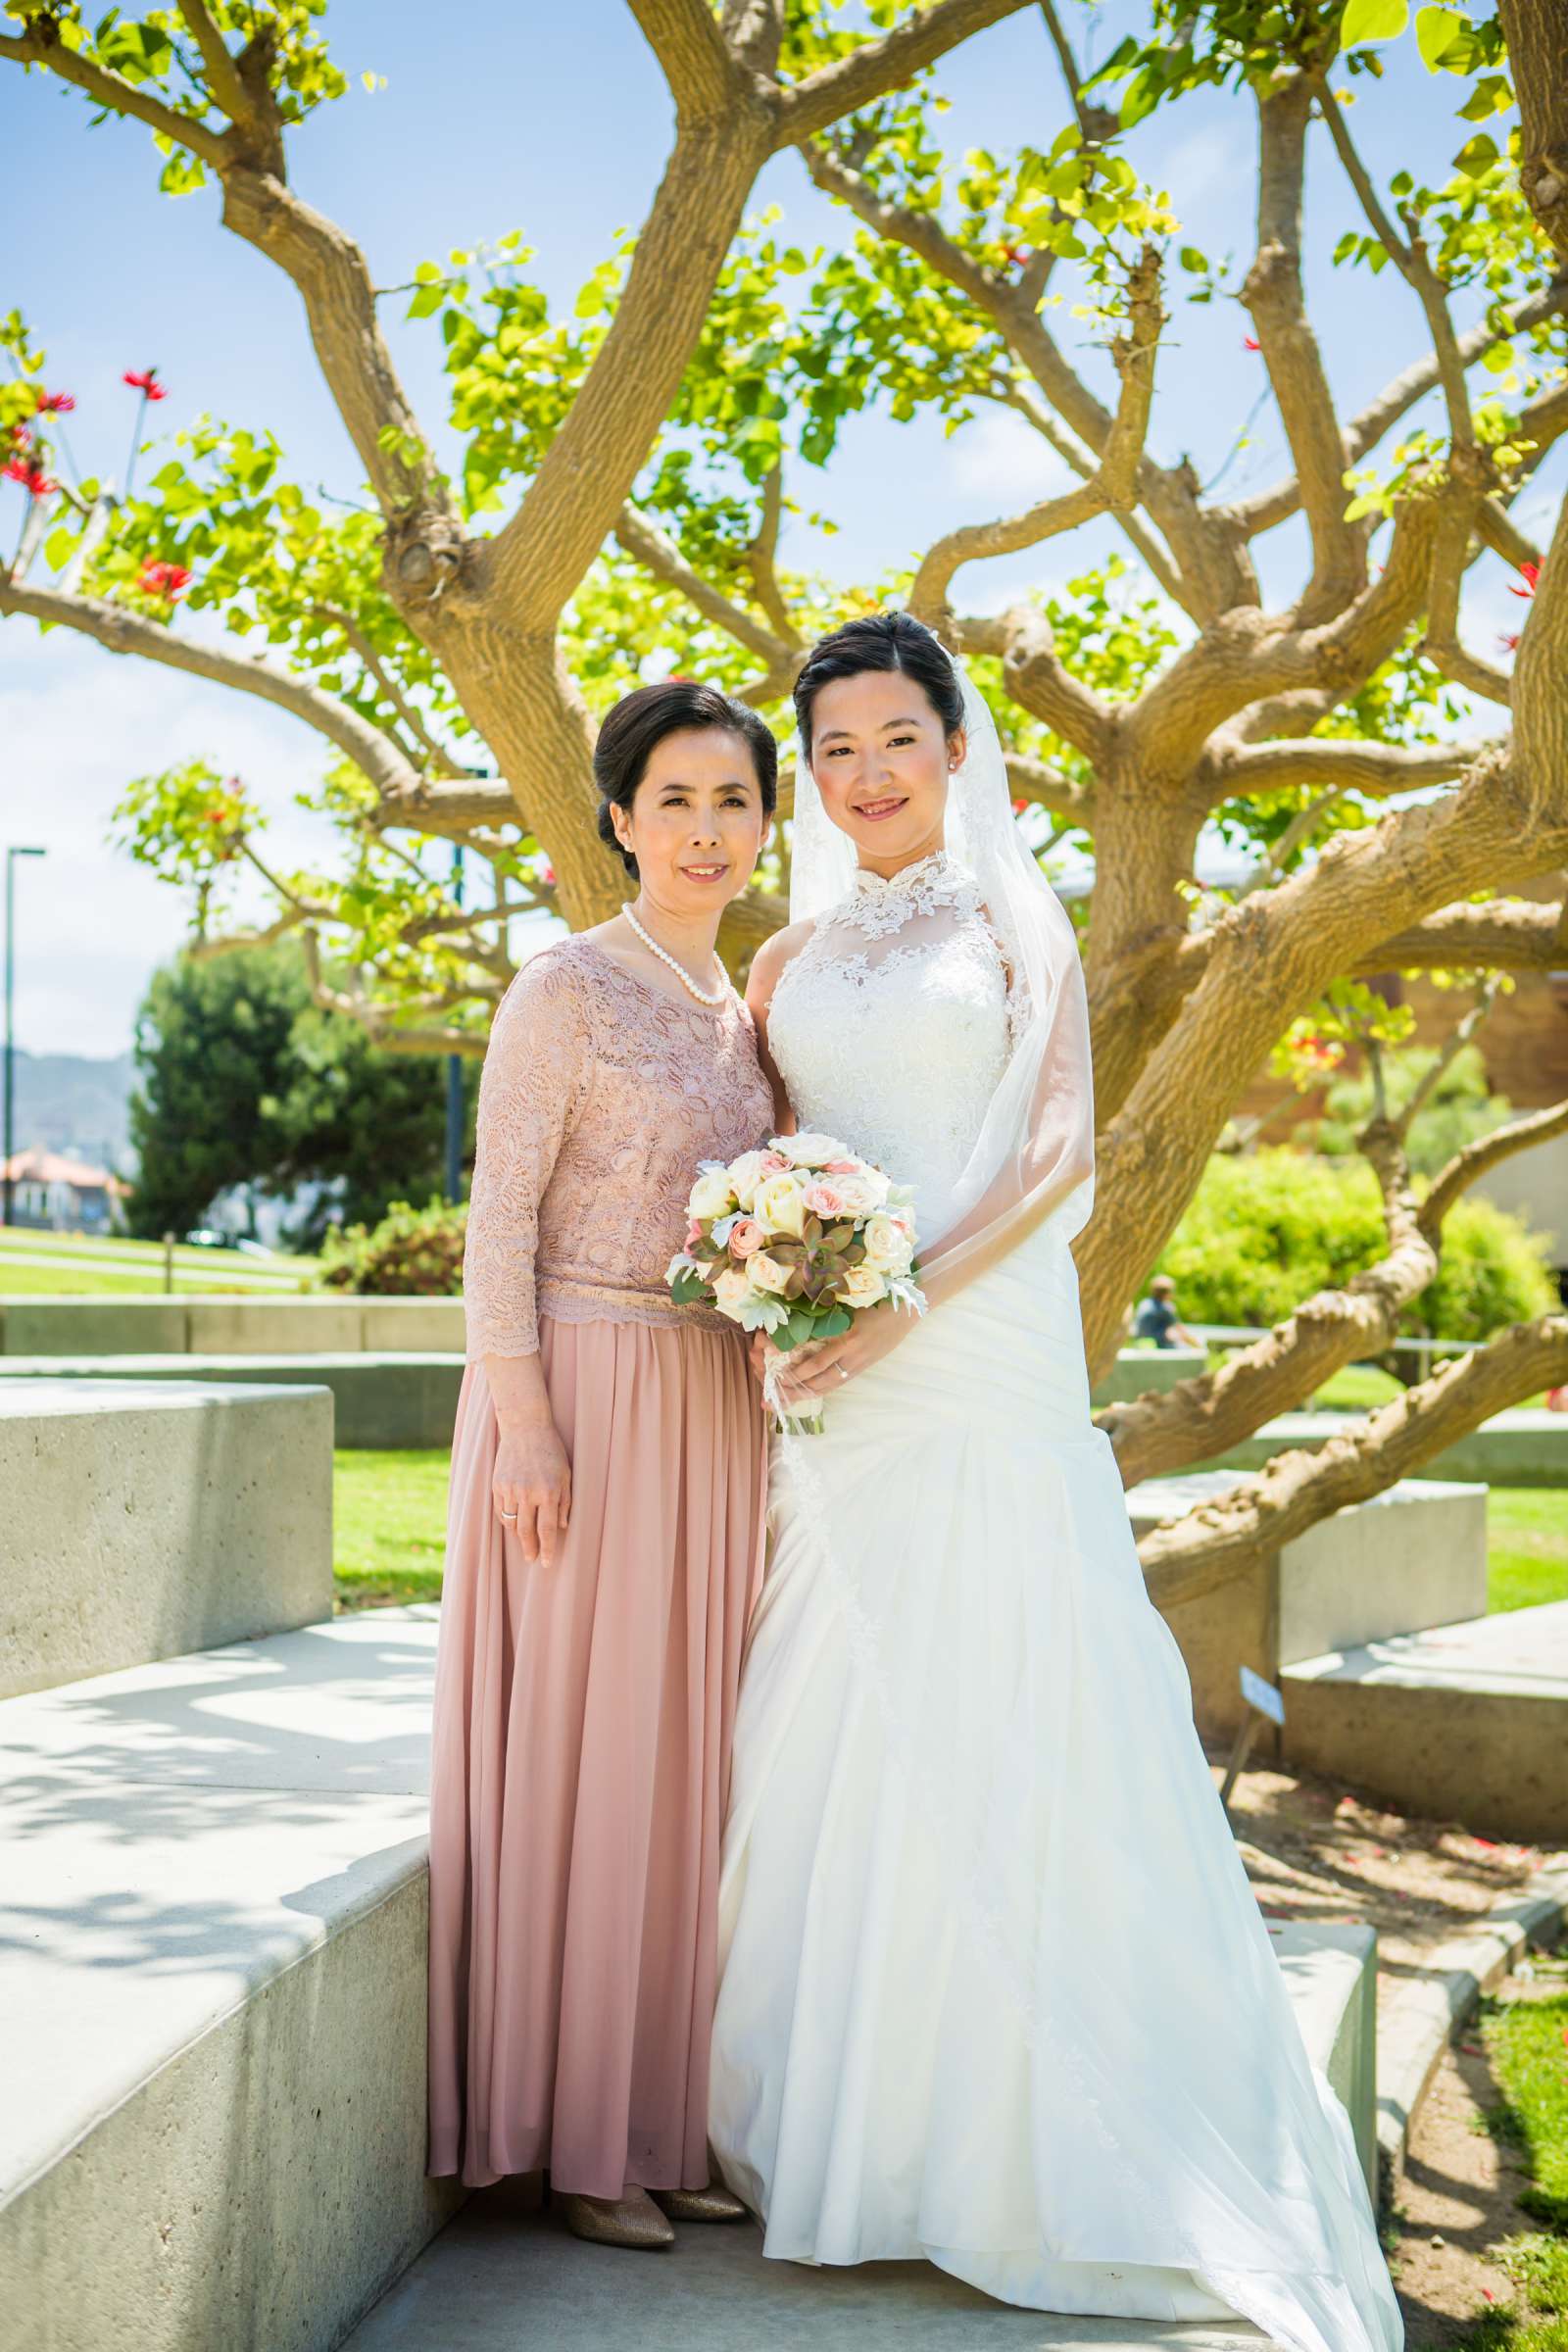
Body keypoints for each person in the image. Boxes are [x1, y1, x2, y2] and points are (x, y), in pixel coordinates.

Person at [707, 612, 1403, 2351]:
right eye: (838, 750)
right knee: (842, 1703)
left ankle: (1049, 2143)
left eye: (897, 740)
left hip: (976, 1344)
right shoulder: (782, 962)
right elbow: (754, 1161)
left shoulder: (1013, 917)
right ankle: (853, 2135)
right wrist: (784, 1289)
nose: (868, 777)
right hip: (834, 1379)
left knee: (1014, 1691)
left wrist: (896, 1303)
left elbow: (1058, 1150)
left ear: (955, 748)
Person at [426, 679, 776, 2251]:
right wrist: (527, 1416)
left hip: (714, 1401)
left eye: (736, 801)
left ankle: (660, 2116)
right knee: (591, 1757)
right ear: (621, 820)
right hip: (576, 1387)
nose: (708, 831)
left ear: (768, 825)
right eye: (677, 801)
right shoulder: (563, 987)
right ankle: (573, 2142)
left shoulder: (745, 1013)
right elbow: (496, 1219)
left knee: (687, 1767)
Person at [1132, 1272, 1200, 1349]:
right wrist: (1198, 1346)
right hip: (1154, 1346)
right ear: (1168, 1294)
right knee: (1181, 1344)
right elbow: (1182, 1331)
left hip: (1139, 1344)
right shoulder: (1165, 1308)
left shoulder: (1144, 1303)